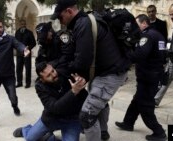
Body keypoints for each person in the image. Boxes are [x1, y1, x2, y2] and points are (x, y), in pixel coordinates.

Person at [50, 0, 131, 140]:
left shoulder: (83, 24)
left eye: (60, 17)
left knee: (87, 115)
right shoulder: (85, 20)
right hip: (106, 72)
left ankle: (99, 133)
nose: (60, 20)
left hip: (109, 74)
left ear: (69, 11)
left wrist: (64, 72)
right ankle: (103, 132)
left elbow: (82, 61)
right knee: (100, 103)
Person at [115, 14, 167, 141]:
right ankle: (128, 123)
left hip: (148, 76)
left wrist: (126, 49)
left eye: (136, 24)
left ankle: (158, 131)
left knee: (145, 105)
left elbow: (139, 55)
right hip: (154, 74)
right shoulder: (157, 34)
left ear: (144, 23)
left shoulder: (147, 35)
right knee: (137, 100)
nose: (134, 27)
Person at [13, 62, 88, 141]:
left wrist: (81, 87)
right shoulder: (40, 87)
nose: (54, 75)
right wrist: (73, 92)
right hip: (52, 119)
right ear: (42, 79)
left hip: (71, 120)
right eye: (48, 75)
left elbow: (84, 98)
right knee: (30, 138)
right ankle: (26, 129)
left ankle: (49, 137)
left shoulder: (64, 74)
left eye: (53, 71)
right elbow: (55, 108)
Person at [146, 5, 171, 106]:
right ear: (147, 13)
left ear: (156, 12)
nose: (151, 13)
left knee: (156, 78)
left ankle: (152, 98)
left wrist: (163, 56)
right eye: (149, 12)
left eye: (152, 11)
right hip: (146, 55)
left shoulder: (161, 24)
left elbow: (164, 40)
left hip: (157, 56)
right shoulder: (145, 23)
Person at [15, 19, 36, 88]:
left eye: (24, 24)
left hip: (27, 53)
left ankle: (28, 83)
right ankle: (19, 82)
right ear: (20, 25)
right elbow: (15, 43)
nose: (23, 25)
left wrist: (28, 47)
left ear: (25, 24)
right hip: (19, 53)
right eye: (21, 24)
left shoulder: (29, 33)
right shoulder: (17, 32)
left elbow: (34, 43)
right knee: (18, 69)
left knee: (28, 68)